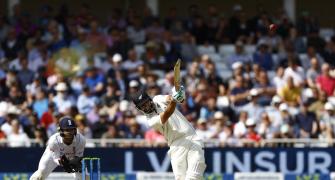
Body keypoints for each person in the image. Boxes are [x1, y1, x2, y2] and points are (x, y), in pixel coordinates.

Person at [132, 86, 206, 180]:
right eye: (142, 106)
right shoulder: (151, 120)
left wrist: (179, 95)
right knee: (180, 178)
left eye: (146, 103)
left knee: (194, 176)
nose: (146, 106)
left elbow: (171, 98)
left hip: (192, 138)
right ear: (139, 108)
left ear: (149, 99)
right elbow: (167, 113)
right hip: (176, 145)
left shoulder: (157, 98)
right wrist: (175, 100)